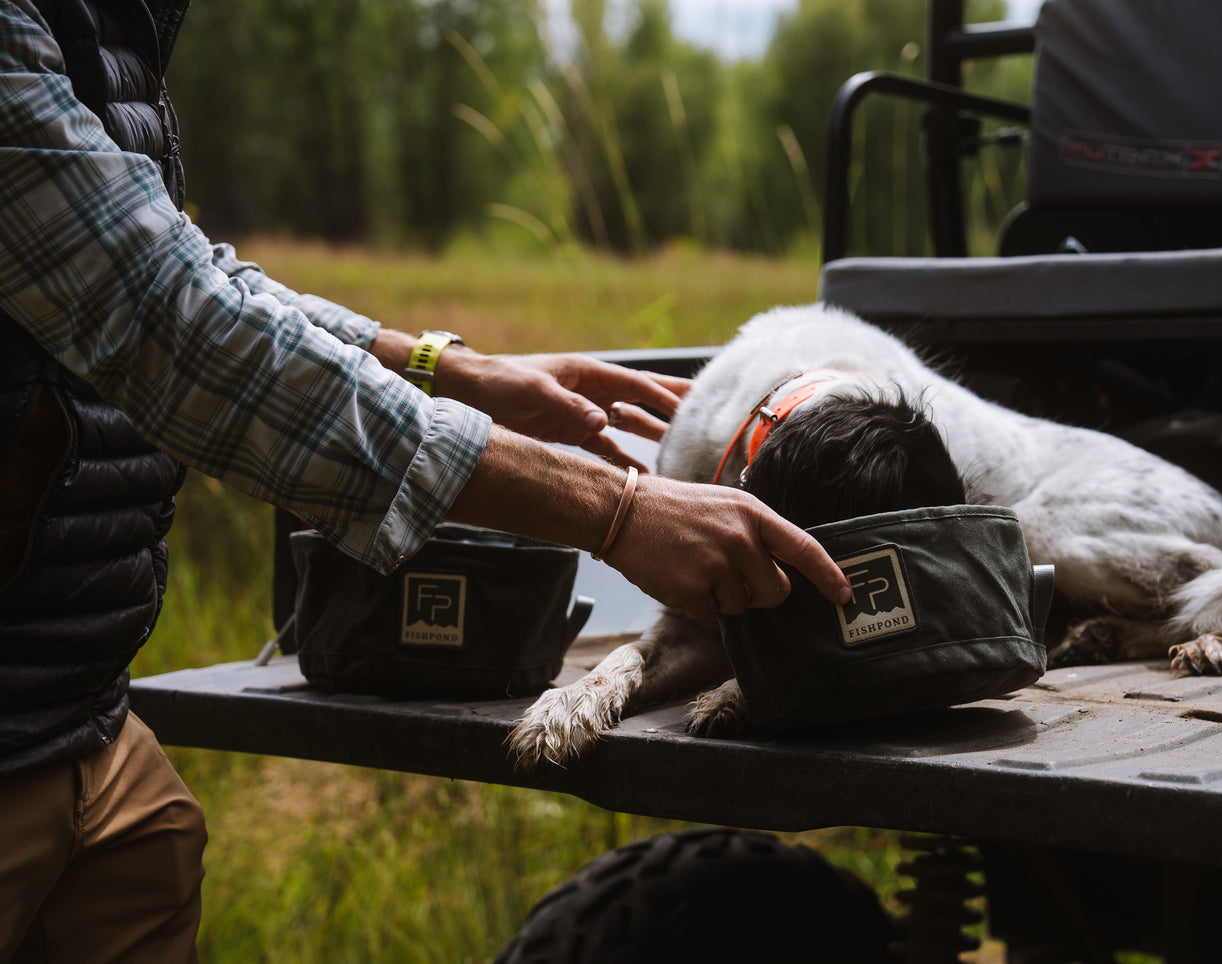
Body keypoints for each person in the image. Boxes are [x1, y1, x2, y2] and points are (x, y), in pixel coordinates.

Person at [0, 1, 850, 959]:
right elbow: (169, 321)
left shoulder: (113, 19)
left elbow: (184, 266)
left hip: (82, 723)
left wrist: (449, 370)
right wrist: (616, 510)